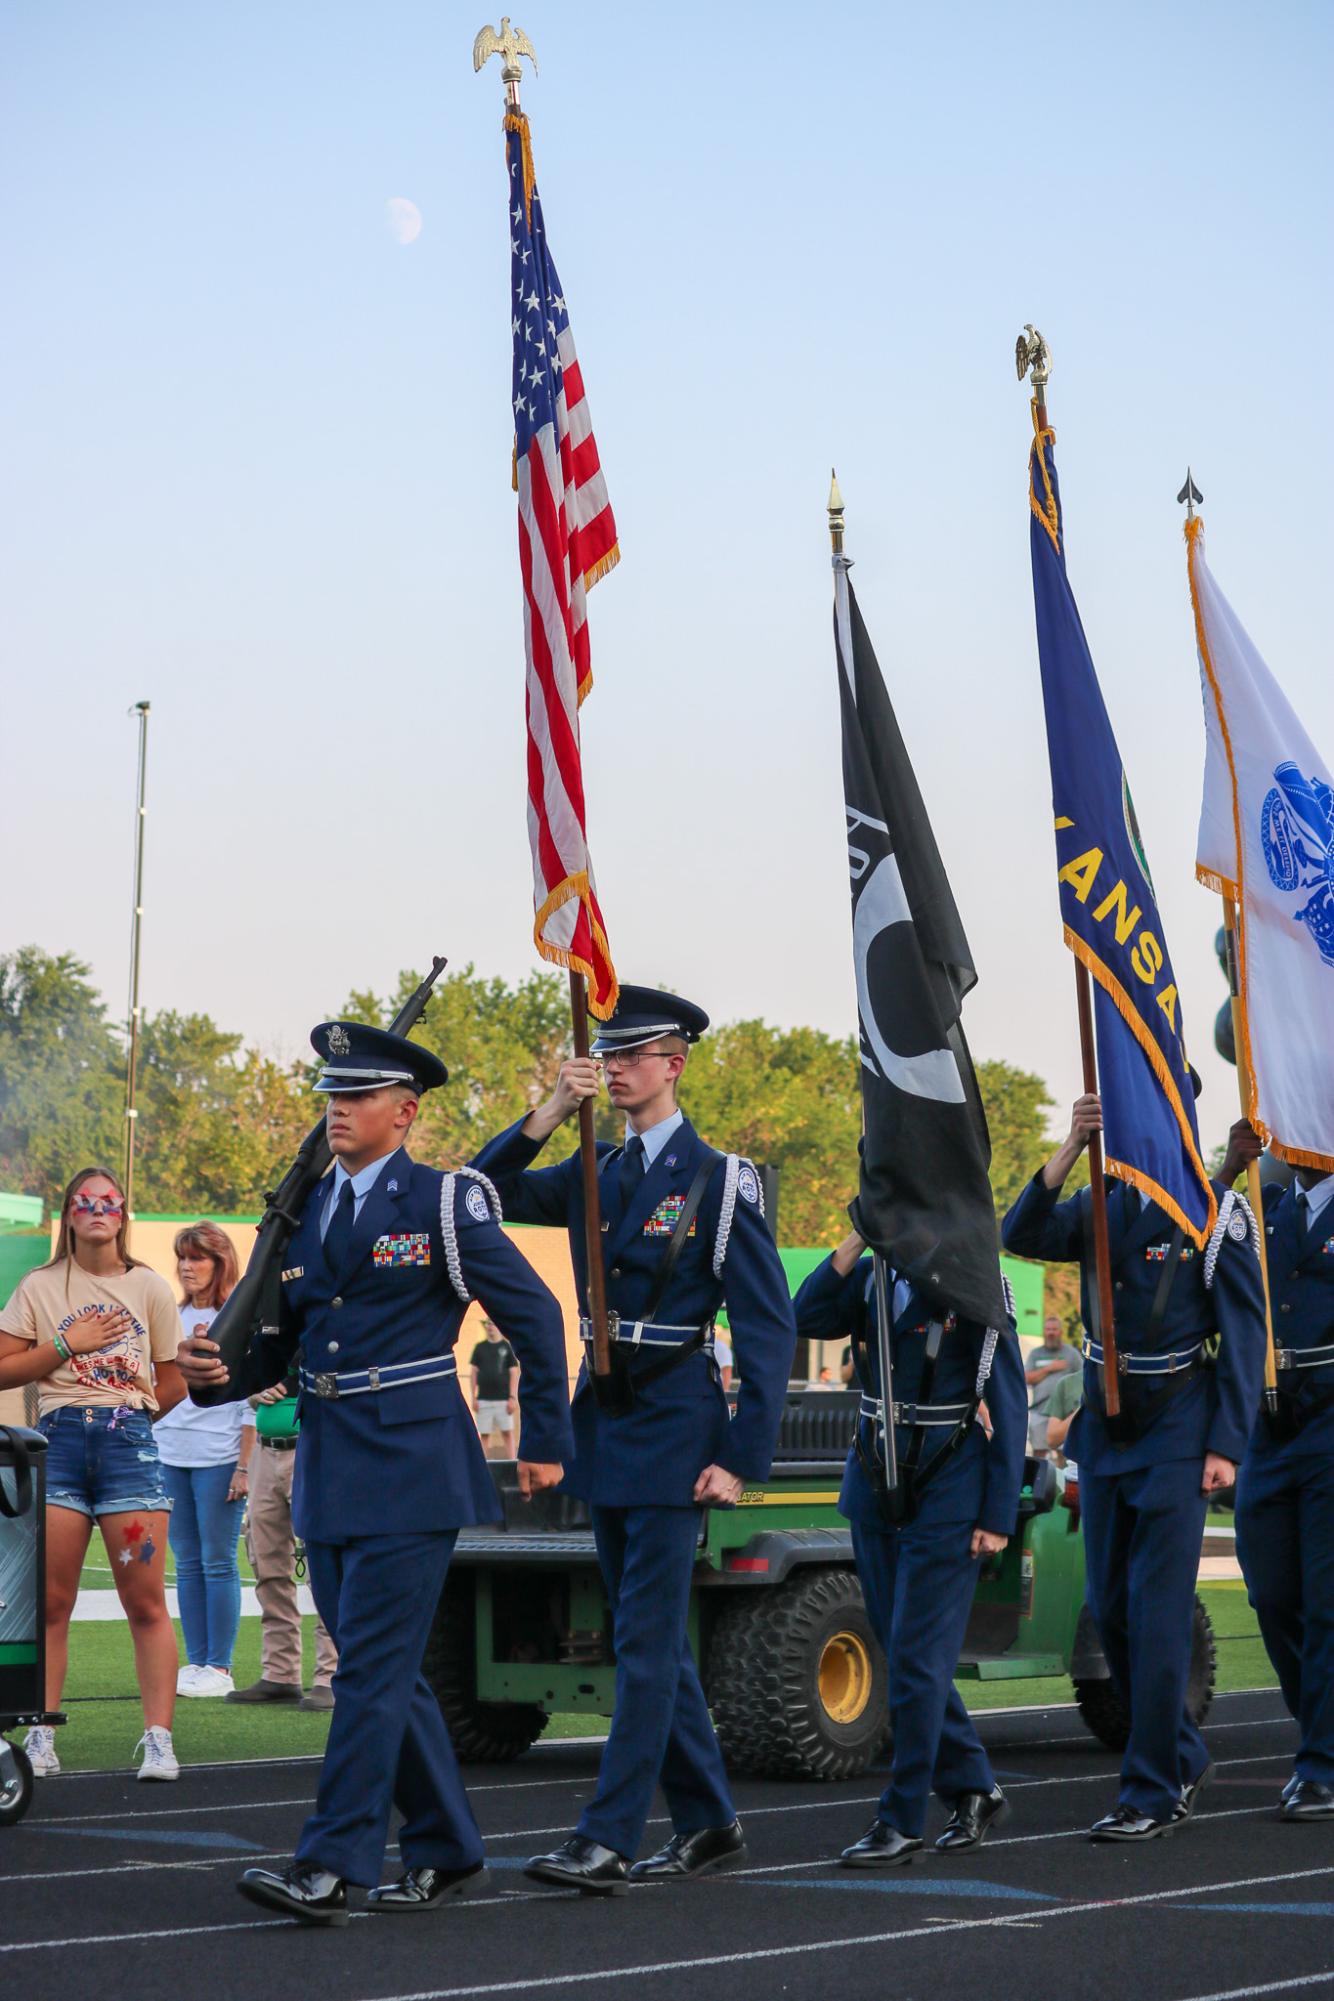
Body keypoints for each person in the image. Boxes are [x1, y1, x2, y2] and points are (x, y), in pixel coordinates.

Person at [176, 1020, 573, 1925]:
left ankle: (331, 1860)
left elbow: (538, 1315)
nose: (337, 1109)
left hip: (413, 1461)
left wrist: (546, 1434)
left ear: (405, 1112)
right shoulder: (307, 1210)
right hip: (331, 1457)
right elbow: (278, 1341)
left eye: (355, 1096)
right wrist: (215, 1381)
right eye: (330, 1095)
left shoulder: (445, 1202)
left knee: (368, 1674)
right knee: (382, 1668)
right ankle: (448, 1845)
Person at [472, 985, 797, 1893]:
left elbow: (767, 1331)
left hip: (675, 1426)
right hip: (605, 1421)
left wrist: (741, 1454)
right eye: (605, 1055)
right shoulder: (595, 1167)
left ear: (675, 1063)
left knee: (646, 1644)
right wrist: (550, 1110)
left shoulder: (718, 1179)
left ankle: (608, 1833)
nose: (614, 1067)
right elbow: (480, 1194)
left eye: (631, 1054)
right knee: (644, 1636)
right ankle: (709, 1821)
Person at [1003, 1091, 1267, 1841]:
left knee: (1156, 1614)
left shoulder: (1214, 1213)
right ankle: (1180, 1751)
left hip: (1180, 1425)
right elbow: (1018, 1230)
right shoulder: (1098, 1200)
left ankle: (1152, 1789)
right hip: (1107, 1430)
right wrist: (1065, 1147)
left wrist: (1226, 1443)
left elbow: (1245, 1335)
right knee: (1111, 1609)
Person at [793, 1227, 1027, 1864]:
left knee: (920, 1659)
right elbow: (807, 1314)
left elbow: (1008, 1401)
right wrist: (852, 1241)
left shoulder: (973, 1276)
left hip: (948, 1481)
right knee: (901, 1650)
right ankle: (975, 1787)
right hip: (874, 1476)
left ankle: (900, 1818)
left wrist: (999, 1512)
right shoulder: (871, 1275)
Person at [0, 1167, 186, 1781]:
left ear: (124, 1212)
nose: (98, 1209)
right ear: (69, 1214)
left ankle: (158, 1739)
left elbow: (172, 1378)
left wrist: (142, 1413)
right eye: (85, 1201)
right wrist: (65, 1344)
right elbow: (3, 1367)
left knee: (145, 1599)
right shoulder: (40, 1284)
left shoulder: (151, 1287)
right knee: (51, 1601)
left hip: (126, 1445)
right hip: (57, 1444)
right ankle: (41, 1734)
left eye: (109, 1201)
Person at [1223, 1118, 1334, 1820]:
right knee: (1271, 1593)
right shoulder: (1262, 1204)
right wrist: (1229, 1167)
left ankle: (1321, 1760)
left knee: (1327, 1605)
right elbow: (1189, 1237)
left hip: (1331, 1420)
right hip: (1266, 1424)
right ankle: (1322, 1727)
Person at [155, 1223, 254, 1697]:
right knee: (187, 1562)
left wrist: (244, 1464)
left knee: (218, 1562)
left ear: (219, 1263)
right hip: (170, 1453)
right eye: (182, 1258)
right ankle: (195, 1663)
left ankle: (219, 1666)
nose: (186, 1267)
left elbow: (252, 1396)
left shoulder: (236, 1317)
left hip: (220, 1455)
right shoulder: (169, 1315)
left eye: (197, 1258)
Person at [228, 1381, 338, 1711]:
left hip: (314, 1448)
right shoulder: (269, 1332)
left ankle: (330, 1677)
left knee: (325, 1566)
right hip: (265, 1451)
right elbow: (244, 1382)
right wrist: (253, 1393)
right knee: (267, 1562)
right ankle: (280, 1673)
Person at [1024, 1314, 1082, 1455]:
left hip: (1064, 1413)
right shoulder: (1035, 1354)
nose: (1051, 1333)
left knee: (1065, 1454)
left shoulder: (1072, 1354)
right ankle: (1040, 1478)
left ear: (1060, 1332)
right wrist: (1049, 1368)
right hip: (1040, 1411)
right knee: (1039, 1453)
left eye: (1054, 1329)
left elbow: (1082, 1377)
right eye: (1048, 1329)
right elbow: (1026, 1378)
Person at [469, 1319, 519, 1459]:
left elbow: (514, 1372)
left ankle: (512, 1463)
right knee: (484, 1434)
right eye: (488, 1324)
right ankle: (483, 1465)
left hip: (503, 1400)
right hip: (484, 1400)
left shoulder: (506, 1347)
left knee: (507, 1433)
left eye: (493, 1324)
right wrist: (473, 1397)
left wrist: (512, 1397)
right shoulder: (480, 1348)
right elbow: (473, 1372)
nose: (490, 1327)